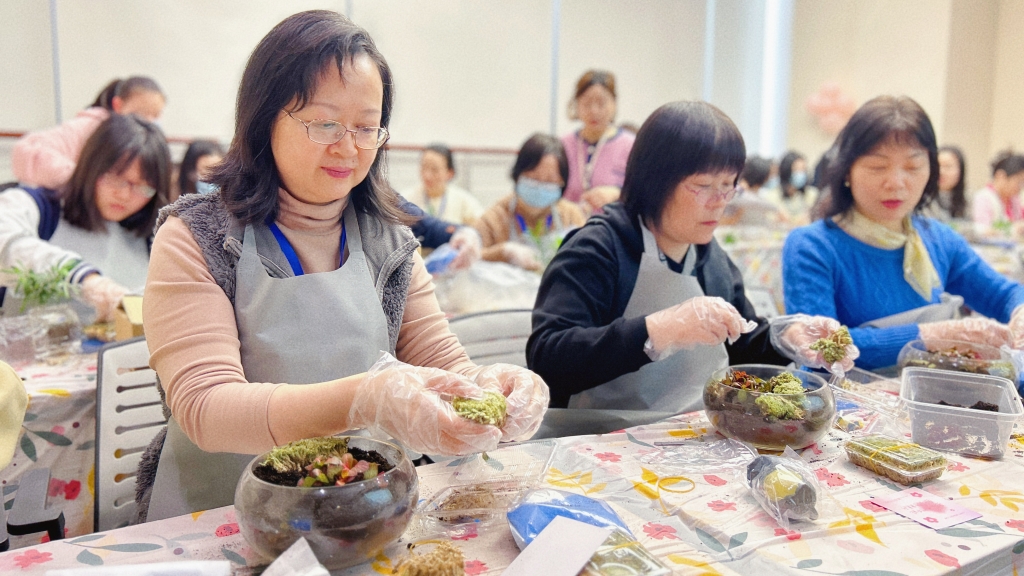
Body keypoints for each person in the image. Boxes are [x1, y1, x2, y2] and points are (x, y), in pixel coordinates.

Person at [138, 10, 548, 521]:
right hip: (219, 517)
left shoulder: (388, 243)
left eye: (366, 127)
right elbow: (207, 408)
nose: (348, 147)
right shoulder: (198, 238)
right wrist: (364, 399)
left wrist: (490, 387)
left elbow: (442, 362)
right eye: (325, 123)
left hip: (356, 515)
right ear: (265, 118)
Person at [528, 101, 852, 438]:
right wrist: (659, 330)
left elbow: (740, 341)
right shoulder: (599, 247)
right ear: (654, 180)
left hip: (693, 433)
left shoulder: (709, 256)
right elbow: (548, 357)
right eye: (703, 185)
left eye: (729, 184)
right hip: (599, 436)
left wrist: (784, 337)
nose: (719, 201)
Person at [783, 95, 1024, 370]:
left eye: (913, 167)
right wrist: (929, 337)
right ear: (846, 171)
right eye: (877, 167)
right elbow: (819, 349)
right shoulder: (812, 246)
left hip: (923, 391)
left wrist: (1020, 311)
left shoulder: (938, 240)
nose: (896, 183)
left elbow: (1003, 294)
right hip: (841, 394)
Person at [0, 114, 170, 319]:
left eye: (143, 187)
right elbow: (6, 242)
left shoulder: (153, 237)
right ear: (91, 166)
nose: (124, 195)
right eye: (115, 178)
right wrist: (83, 278)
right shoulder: (38, 207)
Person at [13, 76, 166, 190]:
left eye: (155, 115)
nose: (149, 121)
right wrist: (82, 182)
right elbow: (26, 150)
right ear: (117, 105)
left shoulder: (142, 141)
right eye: (140, 113)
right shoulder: (95, 127)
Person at [474, 134, 587, 271]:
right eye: (533, 178)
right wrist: (502, 252)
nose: (540, 186)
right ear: (518, 174)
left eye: (550, 181)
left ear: (562, 182)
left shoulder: (571, 216)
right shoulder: (496, 217)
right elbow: (470, 257)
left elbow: (588, 258)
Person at [561, 70, 635, 213]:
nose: (594, 111)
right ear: (576, 104)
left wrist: (617, 193)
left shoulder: (630, 146)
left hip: (613, 224)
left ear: (614, 104)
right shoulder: (563, 145)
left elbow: (645, 192)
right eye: (587, 103)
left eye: (601, 104)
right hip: (569, 224)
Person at [404, 143, 483, 226]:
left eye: (435, 170)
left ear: (450, 173)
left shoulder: (464, 202)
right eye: (424, 167)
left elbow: (481, 227)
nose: (427, 175)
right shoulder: (407, 199)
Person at [971, 150, 1024, 236]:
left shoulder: (1014, 200)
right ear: (1001, 176)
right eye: (1019, 182)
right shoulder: (984, 198)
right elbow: (983, 230)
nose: (1020, 187)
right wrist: (1014, 229)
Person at [768, 151, 818, 224]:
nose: (801, 174)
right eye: (797, 169)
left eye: (803, 170)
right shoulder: (772, 195)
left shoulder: (811, 194)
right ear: (786, 171)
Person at [922, 145, 967, 222]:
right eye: (937, 166)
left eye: (947, 167)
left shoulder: (969, 200)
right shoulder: (924, 200)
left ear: (961, 171)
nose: (941, 172)